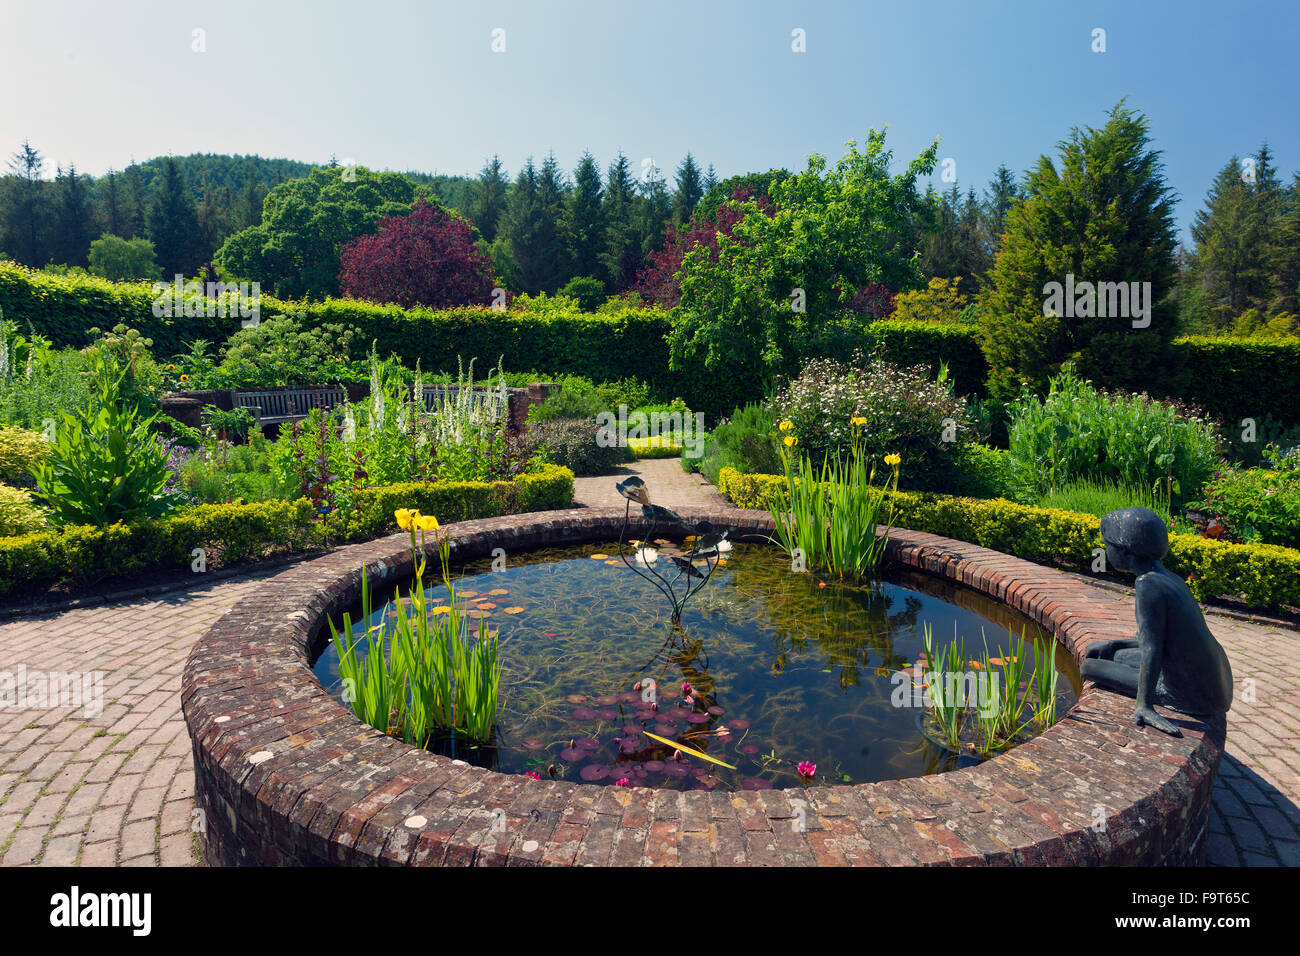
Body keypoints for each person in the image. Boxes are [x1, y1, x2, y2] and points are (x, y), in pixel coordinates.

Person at [1080, 508, 1233, 736]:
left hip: (1190, 693)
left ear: (1125, 551)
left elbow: (1152, 650)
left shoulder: (1147, 585)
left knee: (1089, 666)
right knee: (1104, 652)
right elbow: (1152, 639)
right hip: (1215, 683)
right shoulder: (1169, 577)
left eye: (1108, 546)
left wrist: (1144, 706)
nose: (1105, 550)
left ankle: (1150, 701)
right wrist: (1113, 645)